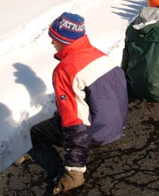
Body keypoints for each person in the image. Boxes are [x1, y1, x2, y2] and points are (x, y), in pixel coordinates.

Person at [18, 12, 128, 193]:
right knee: (60, 116)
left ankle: (54, 169)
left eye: (53, 38)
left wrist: (75, 170)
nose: (51, 43)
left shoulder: (65, 70)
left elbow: (75, 122)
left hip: (98, 133)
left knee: (37, 131)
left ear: (63, 40)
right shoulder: (100, 56)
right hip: (117, 126)